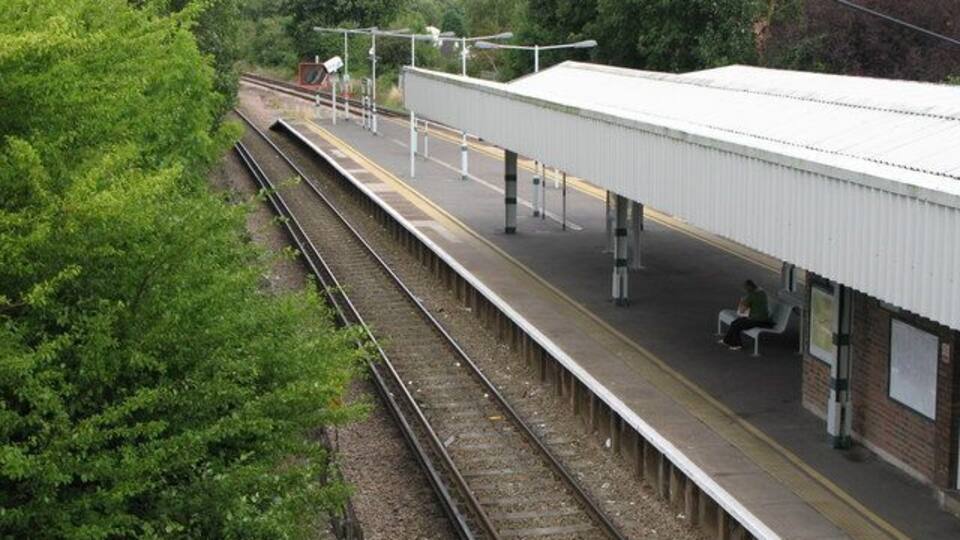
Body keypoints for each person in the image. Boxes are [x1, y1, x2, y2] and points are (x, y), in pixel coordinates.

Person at [721, 280, 773, 350]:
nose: (744, 290)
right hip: (764, 319)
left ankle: (737, 344)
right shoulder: (762, 292)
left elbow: (742, 311)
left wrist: (742, 301)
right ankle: (726, 340)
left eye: (745, 289)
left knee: (736, 325)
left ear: (748, 288)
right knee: (735, 322)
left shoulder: (751, 296)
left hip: (757, 320)